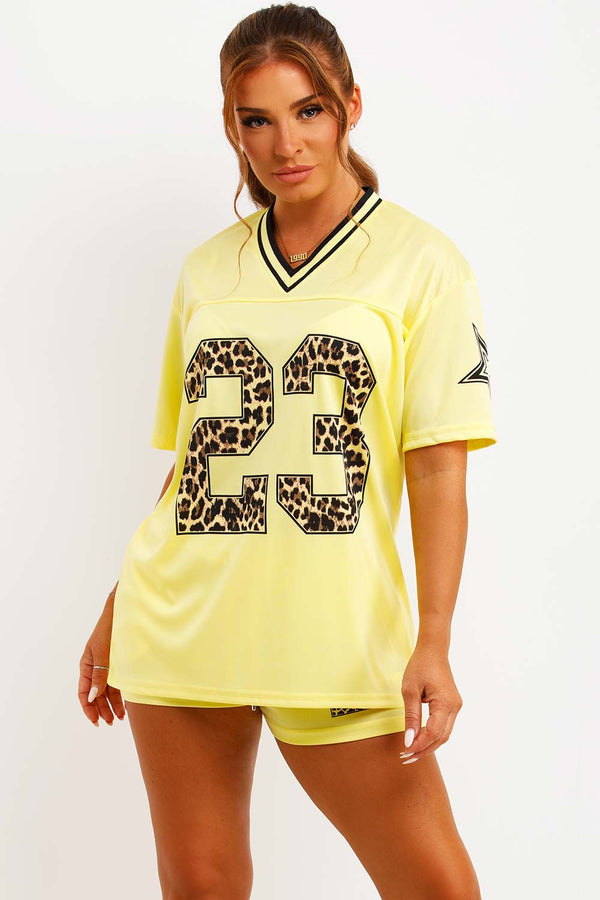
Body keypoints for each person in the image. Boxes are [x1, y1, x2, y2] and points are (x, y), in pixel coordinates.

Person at [78, 4, 497, 898]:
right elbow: (197, 464)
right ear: (232, 127)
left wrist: (434, 640)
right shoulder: (208, 270)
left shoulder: (423, 262)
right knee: (201, 886)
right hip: (179, 626)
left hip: (336, 636)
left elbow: (437, 465)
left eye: (308, 110)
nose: (285, 144)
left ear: (350, 105)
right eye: (256, 120)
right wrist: (119, 606)